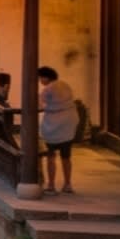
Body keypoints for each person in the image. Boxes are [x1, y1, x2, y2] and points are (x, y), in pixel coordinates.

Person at [38, 65, 80, 194]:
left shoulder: (48, 89)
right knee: (66, 156)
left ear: (46, 77)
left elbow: (40, 104)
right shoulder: (65, 85)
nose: (40, 81)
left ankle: (51, 185)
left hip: (53, 126)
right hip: (68, 123)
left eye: (40, 78)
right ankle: (67, 184)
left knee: (51, 156)